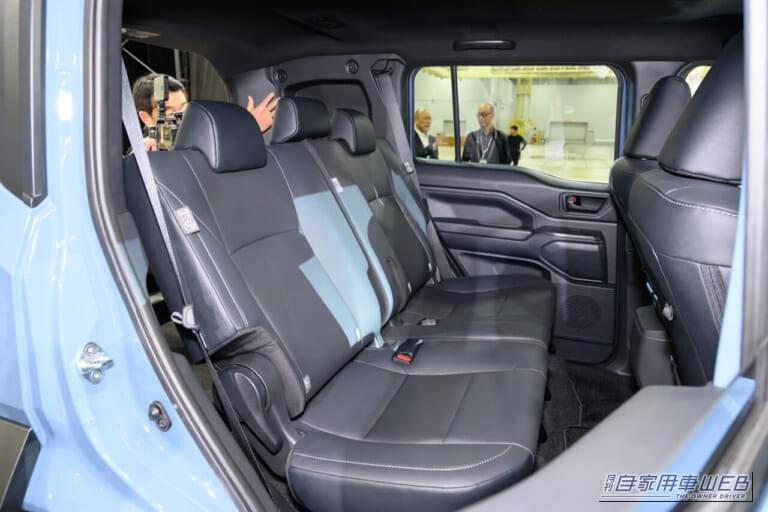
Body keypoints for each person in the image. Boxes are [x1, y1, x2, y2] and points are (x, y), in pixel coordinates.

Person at [132, 72, 278, 151]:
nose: (180, 117)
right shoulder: (143, 155)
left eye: (184, 108)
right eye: (170, 113)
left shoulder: (191, 140)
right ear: (146, 118)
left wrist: (248, 127)